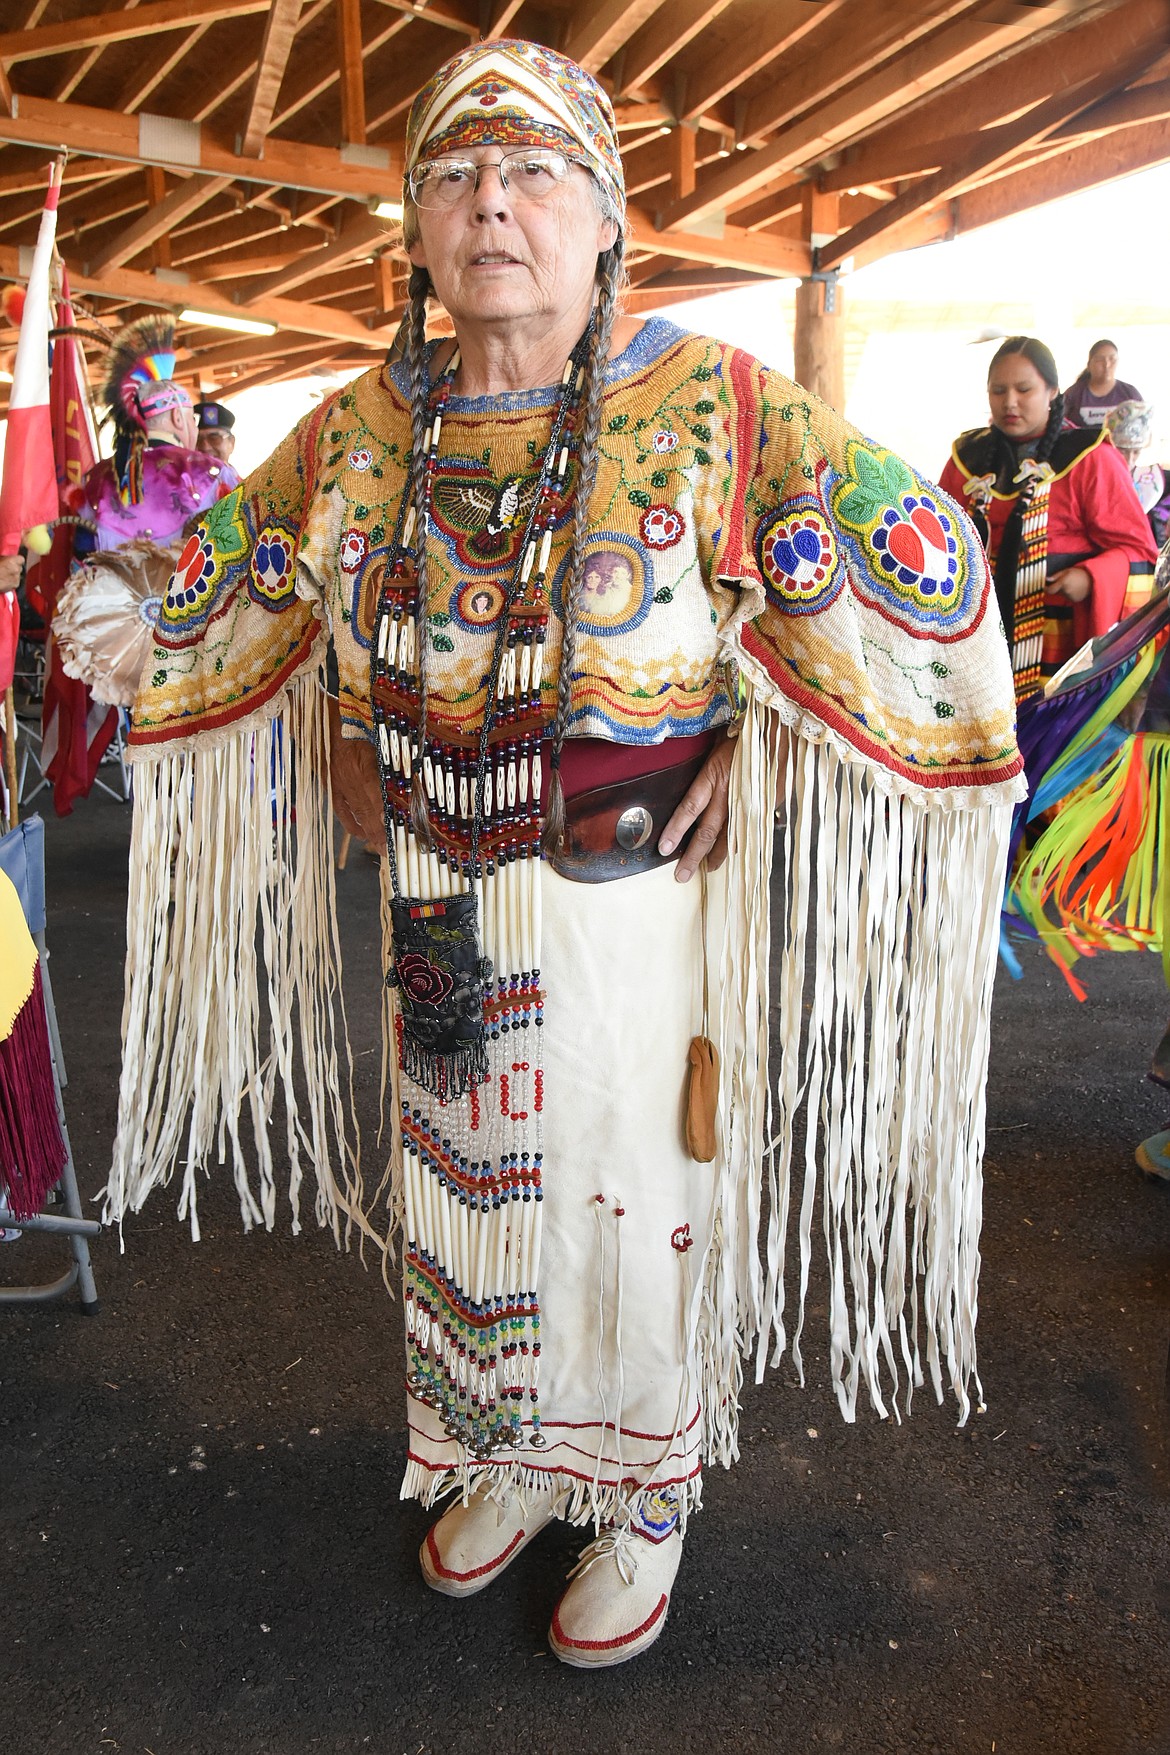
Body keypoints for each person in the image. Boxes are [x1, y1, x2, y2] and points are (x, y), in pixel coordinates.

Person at [105, 40, 1022, 1667]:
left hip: (619, 901)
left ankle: (644, 1487)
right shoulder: (364, 427)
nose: (491, 204)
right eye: (455, 174)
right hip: (439, 898)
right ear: (416, 225)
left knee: (621, 1185)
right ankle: (508, 1452)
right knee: (464, 1175)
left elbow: (916, 560)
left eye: (532, 171)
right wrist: (311, 716)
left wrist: (762, 726)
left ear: (608, 220)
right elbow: (240, 575)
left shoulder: (719, 404)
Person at [940, 336, 1156, 702]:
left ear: (1053, 391)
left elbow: (1139, 553)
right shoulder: (966, 459)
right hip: (974, 643)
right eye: (998, 390)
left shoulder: (1090, 458)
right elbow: (935, 534)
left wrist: (1091, 576)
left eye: (1024, 389)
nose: (1010, 402)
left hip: (1057, 649)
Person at [70, 318, 239, 555]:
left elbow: (81, 561)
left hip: (106, 590)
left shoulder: (95, 480)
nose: (192, 426)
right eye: (192, 418)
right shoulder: (214, 474)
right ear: (178, 419)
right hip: (190, 591)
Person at [1104, 400, 1170, 548]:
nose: (1129, 459)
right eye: (1122, 450)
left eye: (1136, 451)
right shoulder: (1096, 475)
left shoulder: (1157, 478)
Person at [1062, 338, 1143, 429]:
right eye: (1100, 360)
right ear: (1089, 365)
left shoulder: (1130, 394)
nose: (1106, 365)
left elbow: (1143, 429)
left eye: (1112, 359)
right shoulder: (1073, 394)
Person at [194, 398, 236, 467]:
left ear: (231, 443)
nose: (205, 447)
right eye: (197, 439)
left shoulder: (250, 477)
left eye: (214, 439)